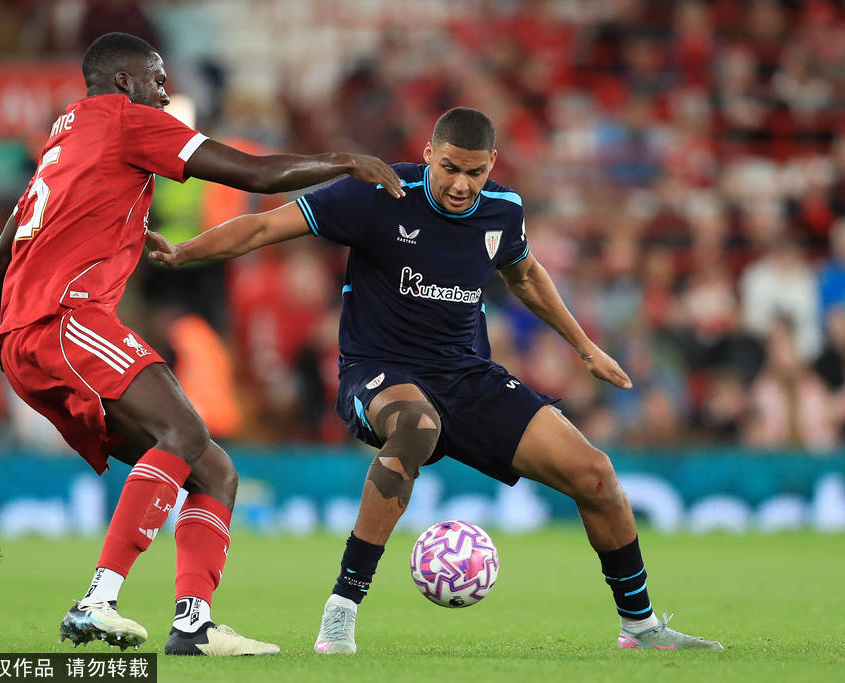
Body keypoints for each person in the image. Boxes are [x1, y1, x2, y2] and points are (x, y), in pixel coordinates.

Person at [148, 107, 724, 653]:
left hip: (466, 374)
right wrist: (182, 253)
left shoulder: (503, 210)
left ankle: (640, 626)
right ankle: (342, 609)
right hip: (378, 369)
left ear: (492, 164)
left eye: (475, 172)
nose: (460, 184)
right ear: (428, 153)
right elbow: (262, 227)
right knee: (416, 427)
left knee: (596, 475)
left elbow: (525, 276)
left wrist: (585, 347)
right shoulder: (377, 193)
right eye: (449, 168)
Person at [0, 32, 404, 657]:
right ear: (124, 82)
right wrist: (344, 161)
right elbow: (254, 172)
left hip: (27, 337)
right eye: (157, 80)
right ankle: (97, 601)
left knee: (213, 470)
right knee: (181, 432)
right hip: (66, 321)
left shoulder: (64, 140)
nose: (165, 92)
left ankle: (194, 625)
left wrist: (1, 334)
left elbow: (1, 253)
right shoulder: (128, 121)